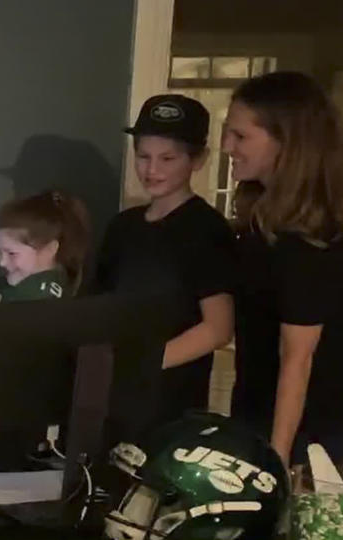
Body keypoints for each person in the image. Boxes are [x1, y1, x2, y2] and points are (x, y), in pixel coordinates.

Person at [222, 71, 343, 465]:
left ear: (285, 141)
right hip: (256, 417)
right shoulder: (263, 222)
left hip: (307, 444)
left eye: (240, 136)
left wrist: (276, 463)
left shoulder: (308, 239)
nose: (227, 146)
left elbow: (298, 360)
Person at [96, 94, 238, 426]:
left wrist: (143, 362)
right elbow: (100, 305)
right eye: (143, 156)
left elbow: (218, 329)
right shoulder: (122, 226)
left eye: (168, 158)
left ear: (198, 159)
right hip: (111, 396)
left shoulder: (207, 229)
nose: (152, 169)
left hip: (172, 402)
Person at [0, 190, 91, 304]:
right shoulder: (21, 284)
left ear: (49, 249)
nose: (2, 262)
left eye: (11, 253)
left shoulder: (39, 298)